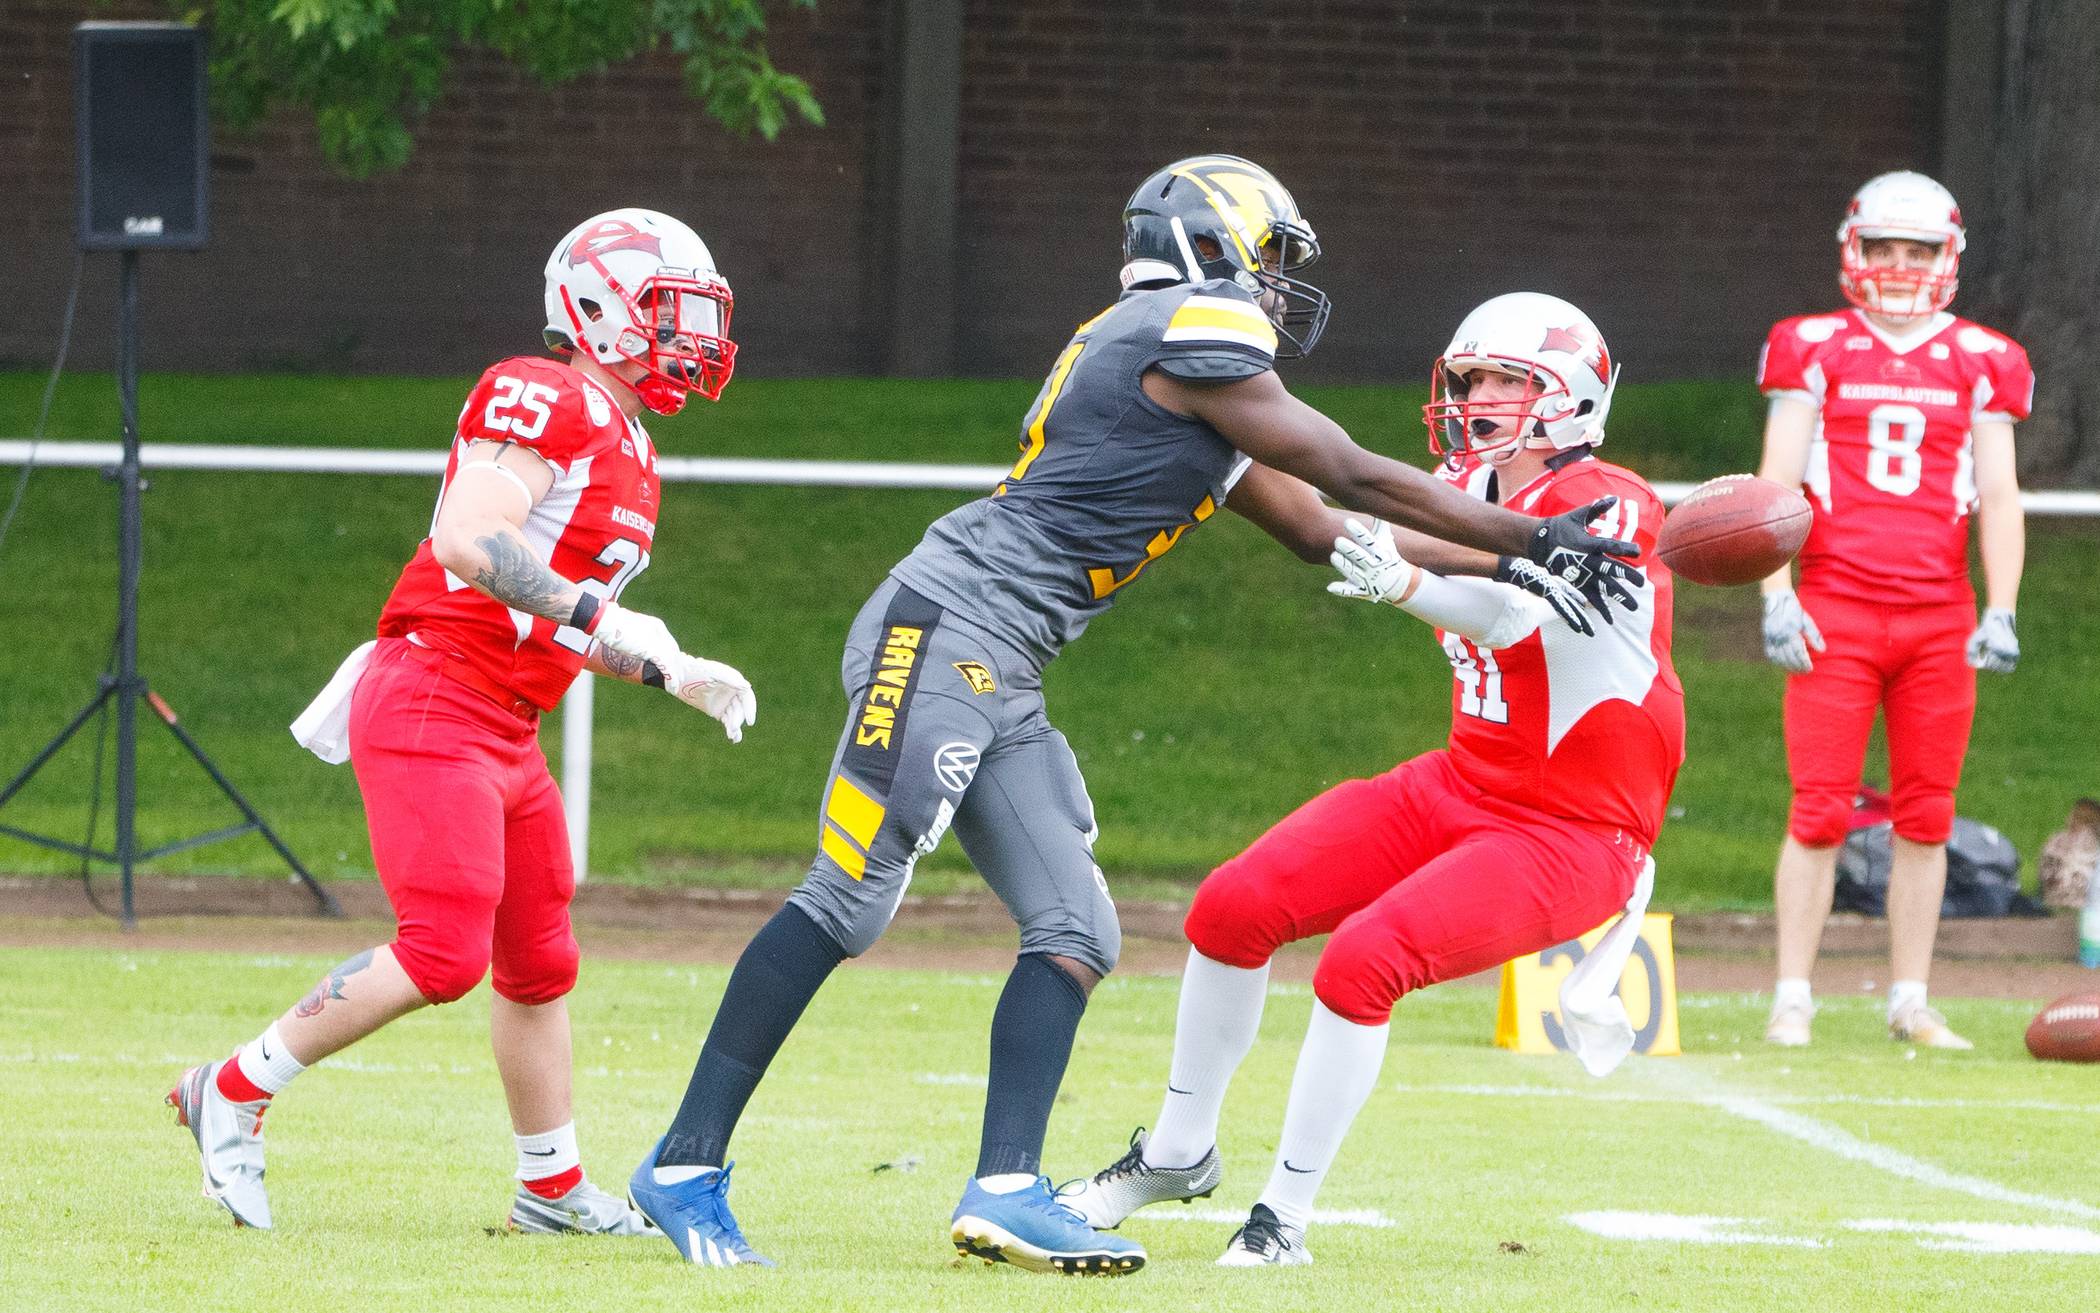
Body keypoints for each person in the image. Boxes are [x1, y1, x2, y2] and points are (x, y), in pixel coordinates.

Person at [627, 157, 1645, 1275]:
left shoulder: (1182, 366)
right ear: (1212, 243)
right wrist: (1530, 535)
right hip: (946, 627)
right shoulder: (1190, 327)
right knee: (849, 899)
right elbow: (1347, 470)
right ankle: (684, 1163)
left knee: (1077, 929)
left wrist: (1525, 567)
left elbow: (1320, 529)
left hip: (1003, 659)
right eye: (1268, 255)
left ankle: (1007, 1190)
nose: (1275, 284)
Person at [168, 209, 758, 1233]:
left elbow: (559, 612)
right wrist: (606, 618)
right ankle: (230, 1086)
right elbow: (468, 539)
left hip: (508, 722)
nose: (691, 337)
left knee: (541, 961)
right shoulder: (547, 392)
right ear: (599, 309)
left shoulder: (631, 445)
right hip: (438, 694)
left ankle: (552, 1188)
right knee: (443, 953)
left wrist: (665, 667)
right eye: (671, 311)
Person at [1061, 292, 1682, 1266]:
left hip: (1575, 830)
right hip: (1464, 784)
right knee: (1232, 905)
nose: (1479, 395)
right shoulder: (1459, 486)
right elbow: (1337, 520)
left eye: (1506, 378)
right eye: (1471, 376)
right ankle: (1178, 1151)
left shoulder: (1613, 502)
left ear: (1572, 395)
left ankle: (1282, 1219)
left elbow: (1517, 617)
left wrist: (1407, 583)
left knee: (1362, 961)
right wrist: (1218, 438)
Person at [1755, 172, 2033, 1050]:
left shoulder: (1983, 356)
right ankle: (1792, 996)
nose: (1902, 264)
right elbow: (1776, 483)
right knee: (1818, 810)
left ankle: (1910, 998)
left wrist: (2002, 608)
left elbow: (1999, 494)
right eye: (1885, 247)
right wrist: (1776, 593)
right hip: (1835, 607)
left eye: (1919, 249)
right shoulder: (1813, 345)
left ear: (1948, 257)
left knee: (1927, 814)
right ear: (1855, 249)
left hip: (1938, 616)